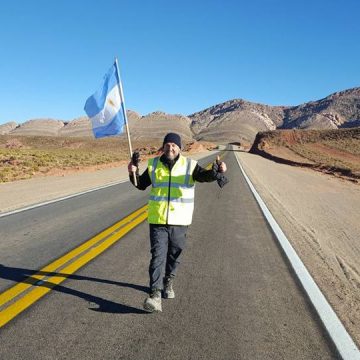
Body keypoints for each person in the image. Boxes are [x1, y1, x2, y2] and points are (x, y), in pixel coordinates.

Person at [128, 132, 227, 312]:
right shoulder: (154, 164)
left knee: (174, 255)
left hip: (180, 221)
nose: (170, 147)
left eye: (174, 145)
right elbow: (141, 184)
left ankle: (168, 281)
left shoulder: (190, 165)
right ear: (163, 147)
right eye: (167, 144)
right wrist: (132, 170)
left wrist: (217, 171)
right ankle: (155, 295)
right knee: (157, 256)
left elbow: (204, 176)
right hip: (158, 220)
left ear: (179, 148)